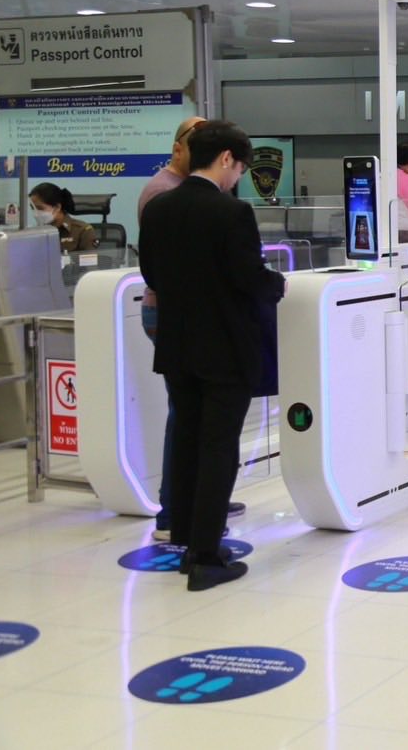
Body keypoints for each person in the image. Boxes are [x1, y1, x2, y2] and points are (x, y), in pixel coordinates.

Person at [139, 121, 285, 591]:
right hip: (224, 348)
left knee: (186, 439)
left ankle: (184, 538)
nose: (238, 177)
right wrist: (277, 284)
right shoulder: (232, 212)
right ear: (225, 159)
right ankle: (206, 556)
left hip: (176, 345)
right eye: (239, 168)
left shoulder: (159, 208)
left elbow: (151, 273)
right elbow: (249, 277)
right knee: (219, 446)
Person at [136, 117, 243, 540]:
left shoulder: (194, 194)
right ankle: (175, 512)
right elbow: (163, 268)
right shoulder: (163, 193)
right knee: (187, 416)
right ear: (179, 147)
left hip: (183, 313)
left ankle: (201, 501)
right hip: (175, 315)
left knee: (194, 416)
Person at [28, 184, 97, 253]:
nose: (35, 213)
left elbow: (91, 258)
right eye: (32, 208)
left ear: (57, 207)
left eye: (40, 208)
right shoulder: (36, 232)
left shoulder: (83, 231)